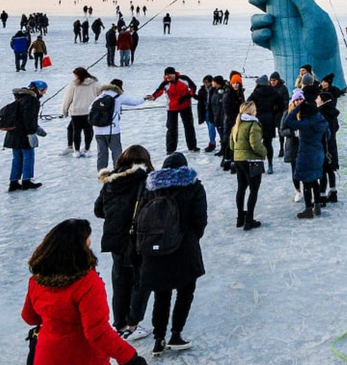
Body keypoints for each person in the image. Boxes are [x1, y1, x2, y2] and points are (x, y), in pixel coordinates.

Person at [21, 219, 146, 365]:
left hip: (46, 356)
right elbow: (98, 332)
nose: (90, 242)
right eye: (88, 238)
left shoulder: (37, 280)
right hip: (83, 357)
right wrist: (130, 358)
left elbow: (29, 317)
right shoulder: (87, 283)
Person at [137, 152, 207, 356]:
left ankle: (159, 338)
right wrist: (192, 238)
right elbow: (200, 219)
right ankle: (176, 334)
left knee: (161, 293)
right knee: (185, 291)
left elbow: (141, 215)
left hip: (155, 248)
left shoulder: (151, 188)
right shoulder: (193, 186)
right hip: (185, 246)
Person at [93, 146, 154, 341]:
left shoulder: (110, 181)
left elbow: (98, 210)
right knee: (141, 280)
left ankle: (119, 323)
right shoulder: (145, 180)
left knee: (120, 281)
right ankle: (133, 323)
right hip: (137, 237)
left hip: (115, 238)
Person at [283, 94, 329, 217]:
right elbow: (328, 136)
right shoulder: (321, 120)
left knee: (306, 182)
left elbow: (288, 121)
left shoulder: (306, 123)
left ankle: (308, 209)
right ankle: (317, 205)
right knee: (314, 180)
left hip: (306, 154)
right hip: (318, 153)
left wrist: (297, 107)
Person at [92, 79, 146, 172]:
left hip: (98, 130)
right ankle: (118, 170)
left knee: (102, 153)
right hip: (112, 130)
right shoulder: (118, 96)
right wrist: (144, 98)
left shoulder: (100, 96)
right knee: (116, 152)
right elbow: (134, 102)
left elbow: (90, 109)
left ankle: (101, 172)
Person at [5, 80, 47, 192]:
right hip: (24, 134)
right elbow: (28, 119)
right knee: (28, 157)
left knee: (17, 158)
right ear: (37, 89)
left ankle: (13, 182)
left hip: (13, 134)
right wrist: (32, 132)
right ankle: (26, 181)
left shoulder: (20, 98)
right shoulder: (31, 101)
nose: (44, 93)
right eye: (43, 91)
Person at [231, 102, 266, 230]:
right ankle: (249, 220)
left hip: (238, 160)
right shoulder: (253, 125)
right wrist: (264, 152)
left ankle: (240, 218)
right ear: (252, 112)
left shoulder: (237, 124)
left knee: (241, 189)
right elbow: (255, 144)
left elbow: (231, 144)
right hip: (252, 161)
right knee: (253, 190)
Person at [146, 67, 198, 154]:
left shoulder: (184, 79)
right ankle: (170, 149)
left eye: (169, 74)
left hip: (185, 106)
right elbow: (159, 91)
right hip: (172, 108)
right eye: (166, 75)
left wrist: (188, 96)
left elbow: (193, 87)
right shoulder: (165, 83)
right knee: (171, 128)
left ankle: (192, 146)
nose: (168, 76)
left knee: (189, 126)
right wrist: (153, 97)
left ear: (174, 74)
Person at [246, 76, 284, 174]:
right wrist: (274, 113)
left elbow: (247, 104)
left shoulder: (255, 93)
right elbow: (282, 105)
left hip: (257, 120)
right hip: (269, 120)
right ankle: (270, 164)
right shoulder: (273, 92)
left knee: (256, 143)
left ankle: (259, 164)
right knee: (268, 144)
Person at [61, 67, 101, 158]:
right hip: (90, 111)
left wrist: (64, 110)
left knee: (76, 131)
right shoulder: (95, 83)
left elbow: (67, 98)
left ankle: (77, 150)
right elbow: (100, 95)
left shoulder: (73, 84)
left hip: (76, 111)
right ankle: (87, 149)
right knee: (88, 130)